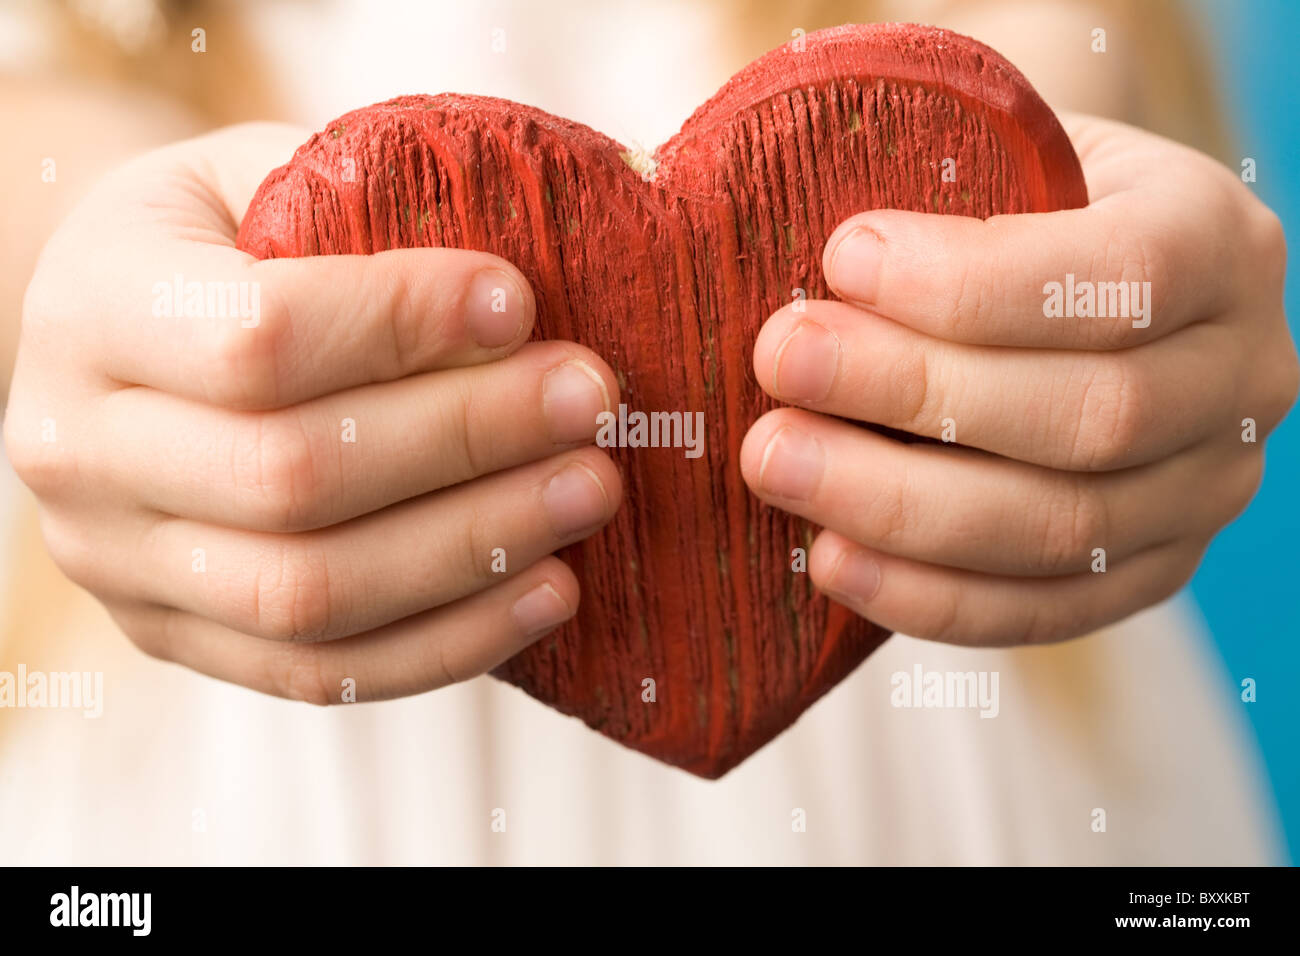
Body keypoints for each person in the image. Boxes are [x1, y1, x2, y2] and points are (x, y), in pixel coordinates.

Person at [0, 0, 1293, 864]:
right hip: (232, 708)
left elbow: (1058, 37)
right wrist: (121, 269)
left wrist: (1056, 246)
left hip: (968, 660)